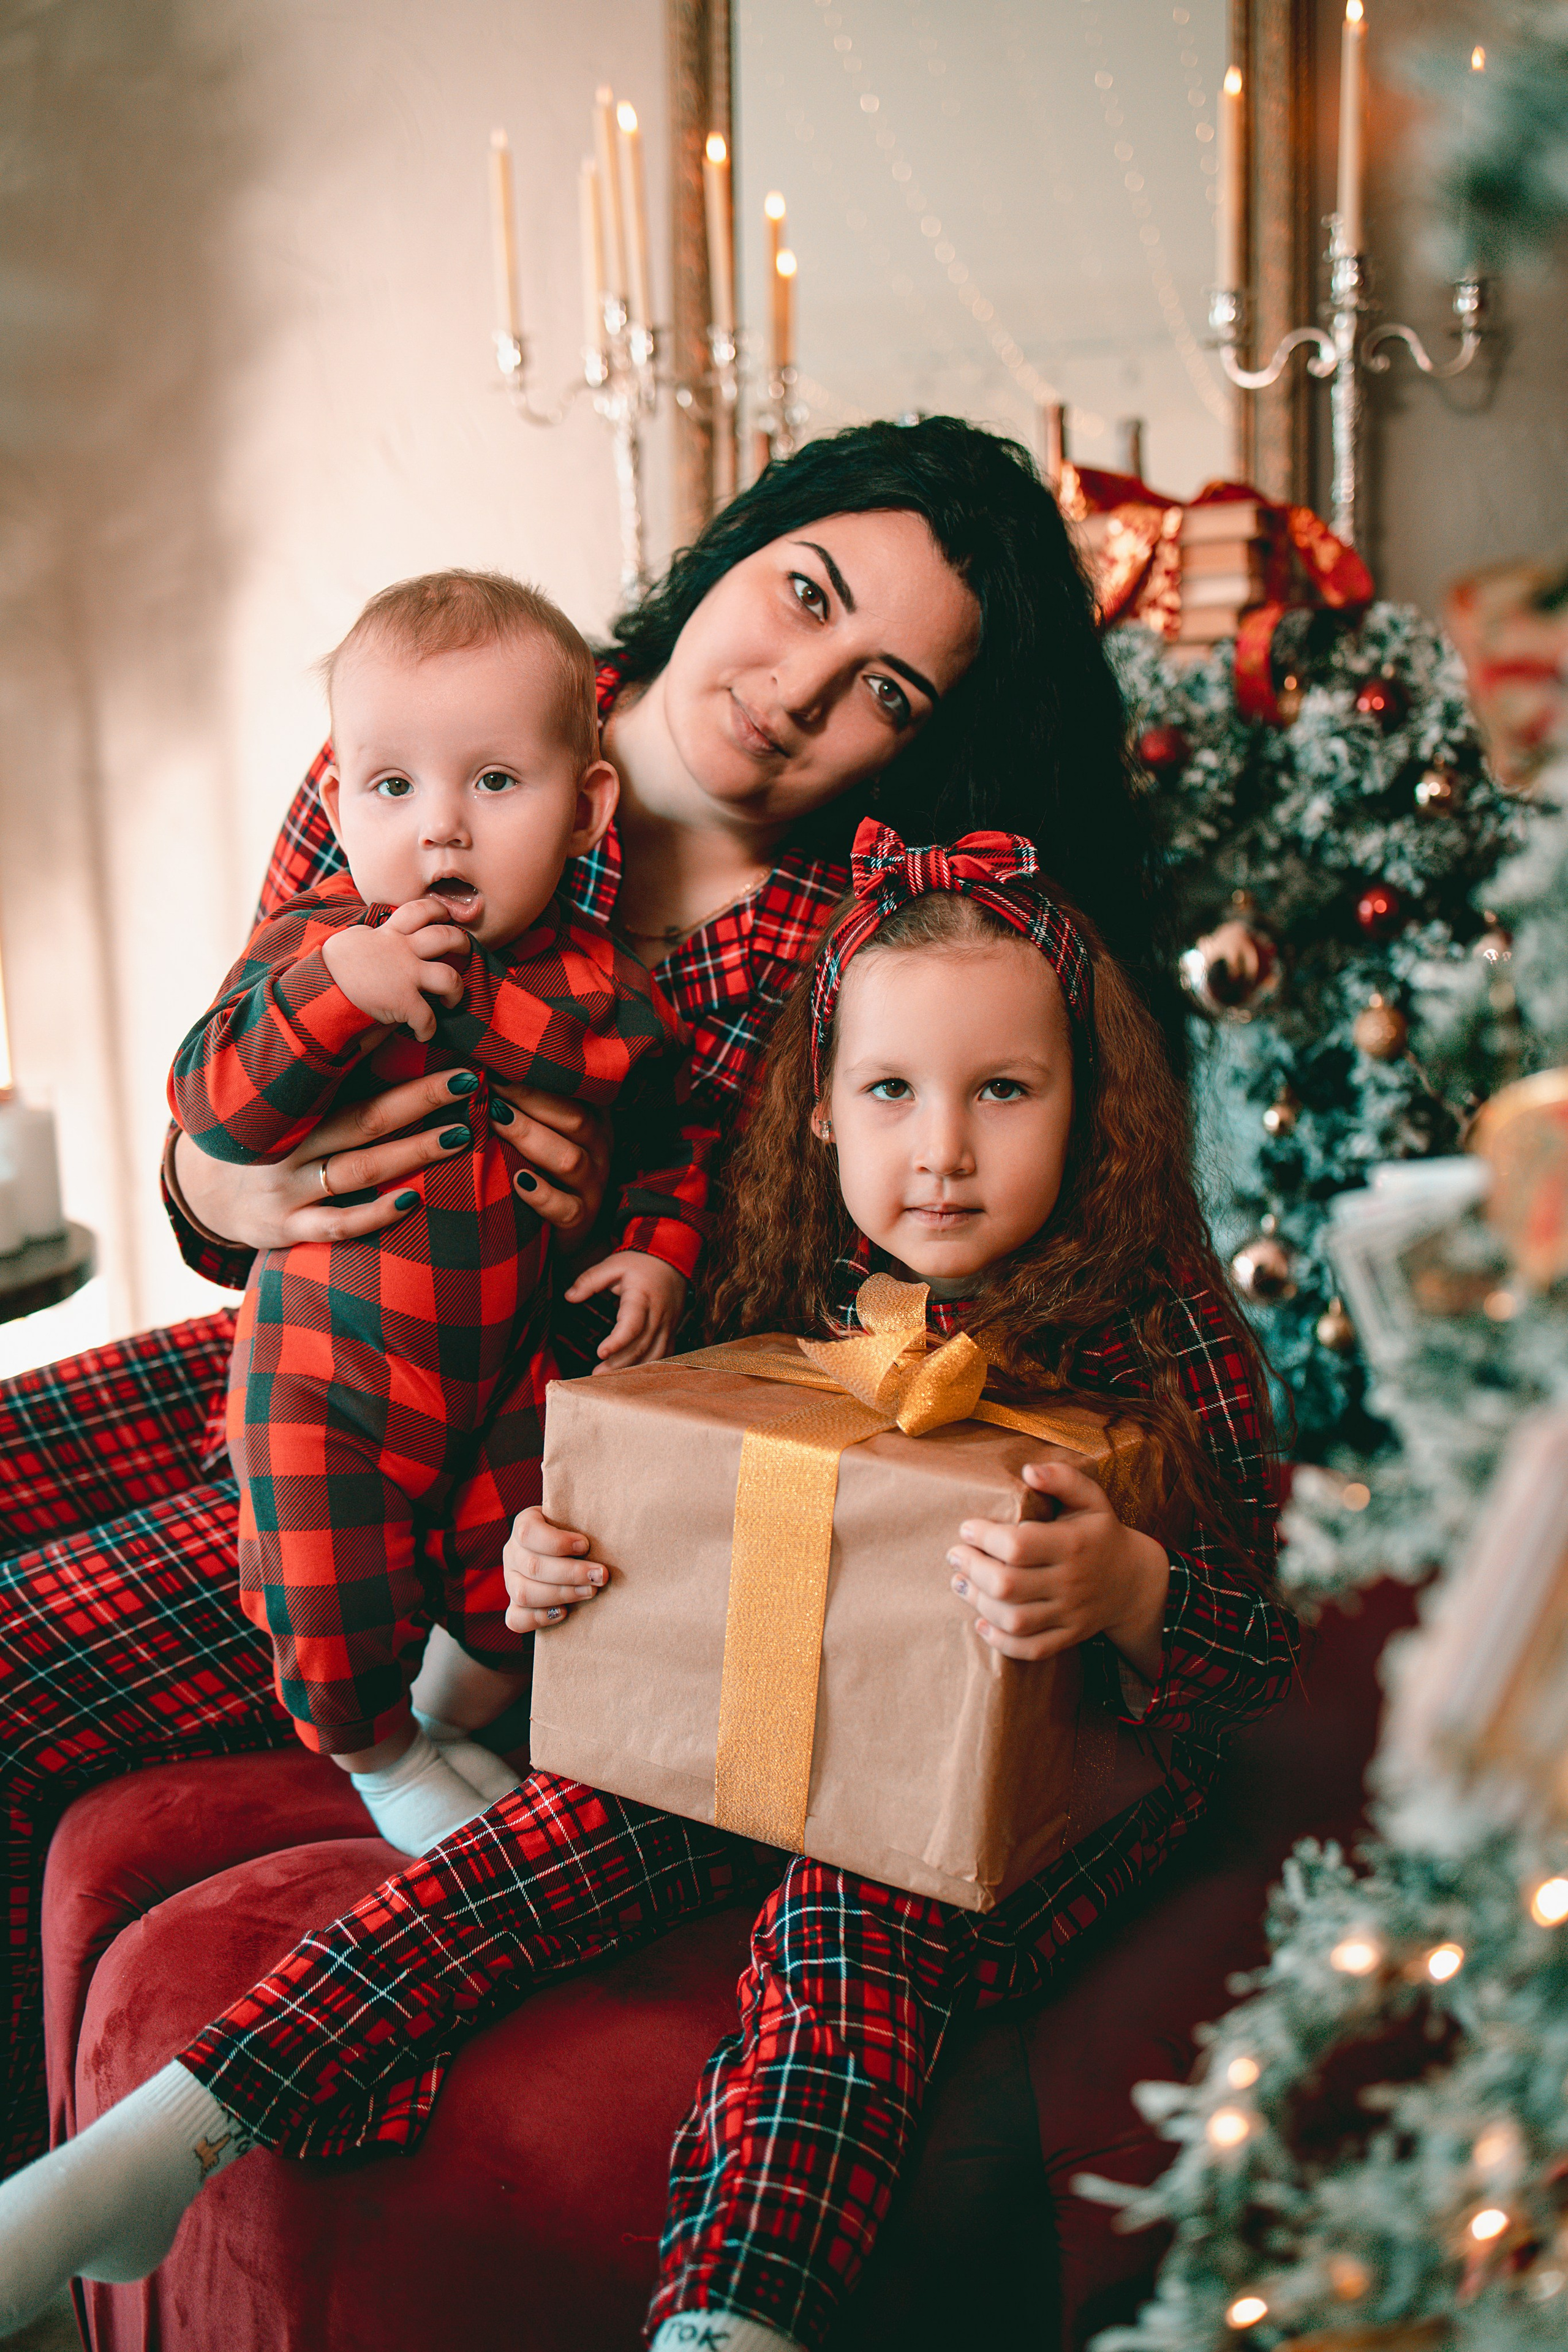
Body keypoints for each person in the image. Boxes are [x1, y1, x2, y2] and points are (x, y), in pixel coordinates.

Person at [0, 414, 1159, 2179]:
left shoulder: (848, 947)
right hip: (293, 1339)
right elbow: (247, 1056)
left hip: (504, 1453)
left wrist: (643, 1238)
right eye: (804, 595)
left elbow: (801, 1312)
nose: (796, 690)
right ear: (735, 550)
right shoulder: (452, 705)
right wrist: (218, 1185)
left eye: (885, 693)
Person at [0, 822, 1298, 2351]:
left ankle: (734, 2316)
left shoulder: (1152, 1320)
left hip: (1032, 1794)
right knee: (538, 1840)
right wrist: (555, 1570)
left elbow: (1253, 1654)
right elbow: (669, 1534)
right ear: (817, 1114)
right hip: (769, 1716)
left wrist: (1127, 1584)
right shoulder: (788, 1294)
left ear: (1088, 1108)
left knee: (848, 1937)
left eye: (1001, 1090)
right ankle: (167, 2141)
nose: (938, 1148)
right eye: (889, 1090)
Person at [170, 571, 705, 1852]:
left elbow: (669, 1149)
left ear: (587, 811)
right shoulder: (314, 946)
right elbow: (214, 1103)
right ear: (339, 799)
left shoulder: (603, 997)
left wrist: (652, 1252)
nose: (441, 831)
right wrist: (344, 992)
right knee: (322, 1588)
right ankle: (379, 1751)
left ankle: (453, 1711)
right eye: (391, 788)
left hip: (506, 1376)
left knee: (527, 1576)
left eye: (494, 784)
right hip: (322, 1380)